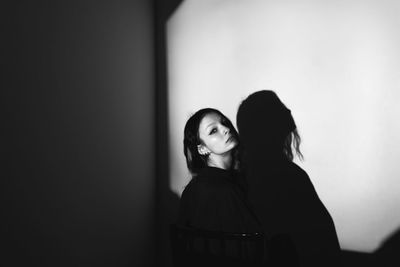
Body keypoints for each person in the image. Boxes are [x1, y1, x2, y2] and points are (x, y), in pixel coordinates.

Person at [236, 90, 341, 267]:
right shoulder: (290, 178)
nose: (289, 111)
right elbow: (323, 245)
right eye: (280, 108)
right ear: (268, 125)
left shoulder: (244, 176)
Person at [177, 108, 260, 233]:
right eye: (213, 130)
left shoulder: (192, 188)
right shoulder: (226, 190)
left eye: (224, 122)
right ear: (202, 149)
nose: (226, 129)